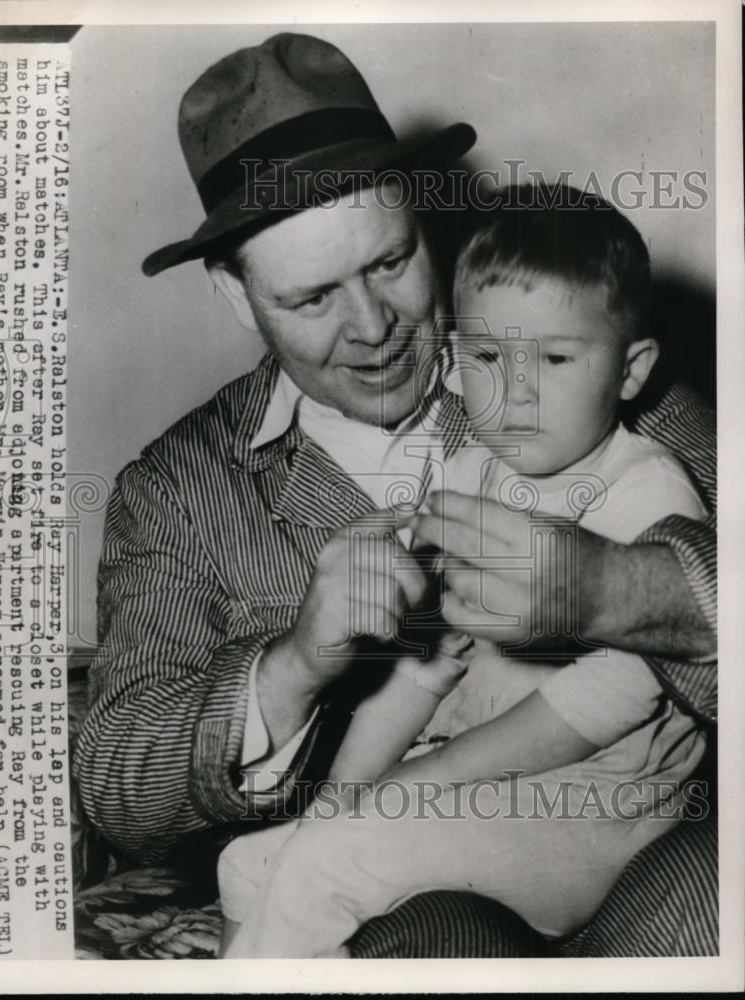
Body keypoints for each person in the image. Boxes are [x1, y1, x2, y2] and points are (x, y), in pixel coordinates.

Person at [73, 33, 717, 956]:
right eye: (313, 298)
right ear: (235, 295)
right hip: (404, 881)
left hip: (627, 834)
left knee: (704, 902)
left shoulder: (563, 357)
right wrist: (293, 666)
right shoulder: (175, 490)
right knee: (438, 937)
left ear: (424, 221)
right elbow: (114, 783)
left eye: (388, 262)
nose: (372, 328)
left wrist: (620, 591)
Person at [216, 186, 709, 958]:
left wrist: (416, 787)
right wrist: (343, 797)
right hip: (489, 797)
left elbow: (609, 699)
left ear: (630, 368)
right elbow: (421, 665)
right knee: (248, 866)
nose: (513, 393)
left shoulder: (644, 489)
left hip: (600, 815)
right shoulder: (471, 472)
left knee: (328, 860)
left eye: (551, 357)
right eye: (485, 356)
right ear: (453, 355)